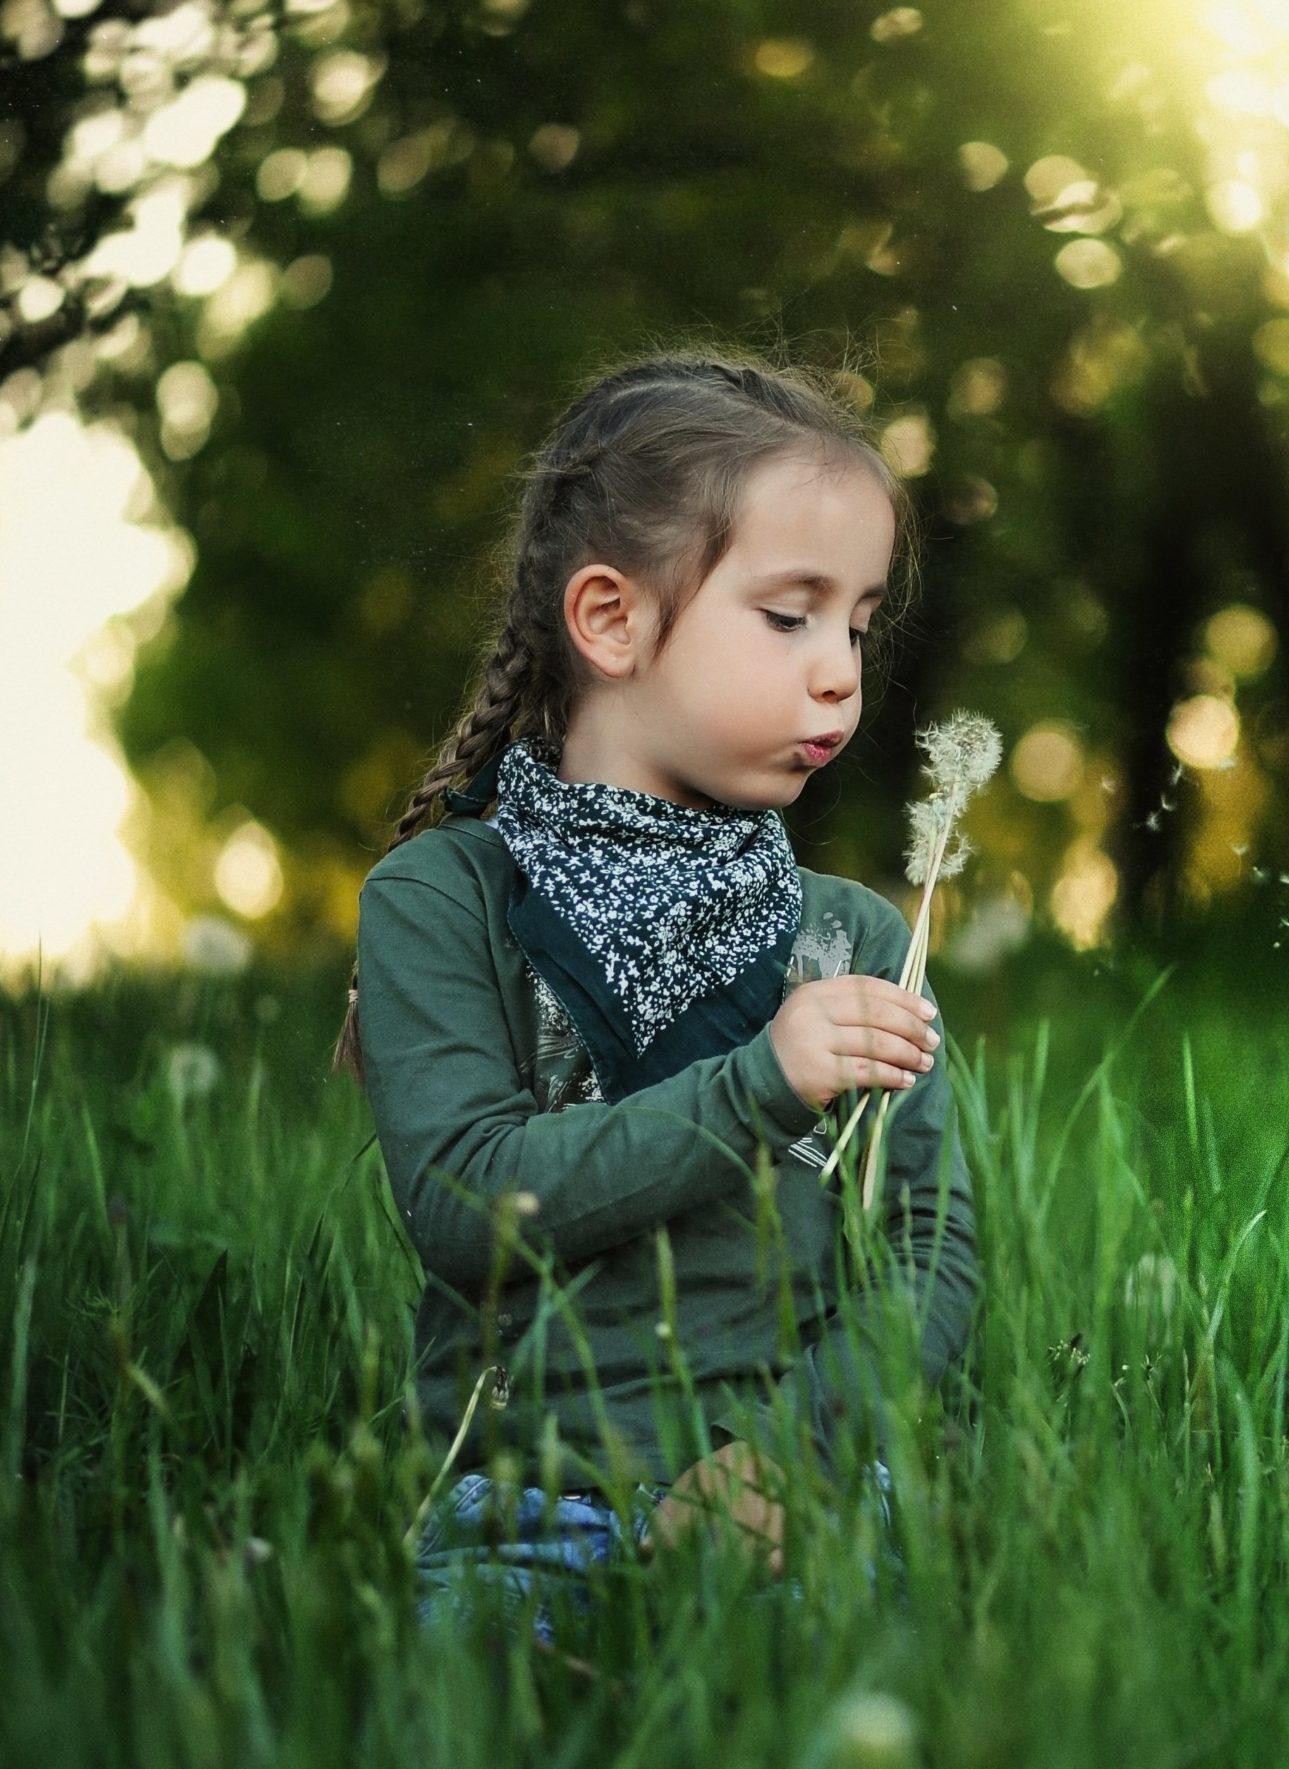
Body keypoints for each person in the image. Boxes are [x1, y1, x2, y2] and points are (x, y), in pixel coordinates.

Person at [330, 347, 980, 1642]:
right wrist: (763, 1081)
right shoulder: (440, 901)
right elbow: (470, 1207)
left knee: (825, 1683)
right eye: (791, 616)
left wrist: (788, 1454)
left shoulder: (852, 934)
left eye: (857, 623)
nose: (843, 669)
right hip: (528, 1490)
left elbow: (931, 1247)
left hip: (804, 1480)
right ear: (613, 620)